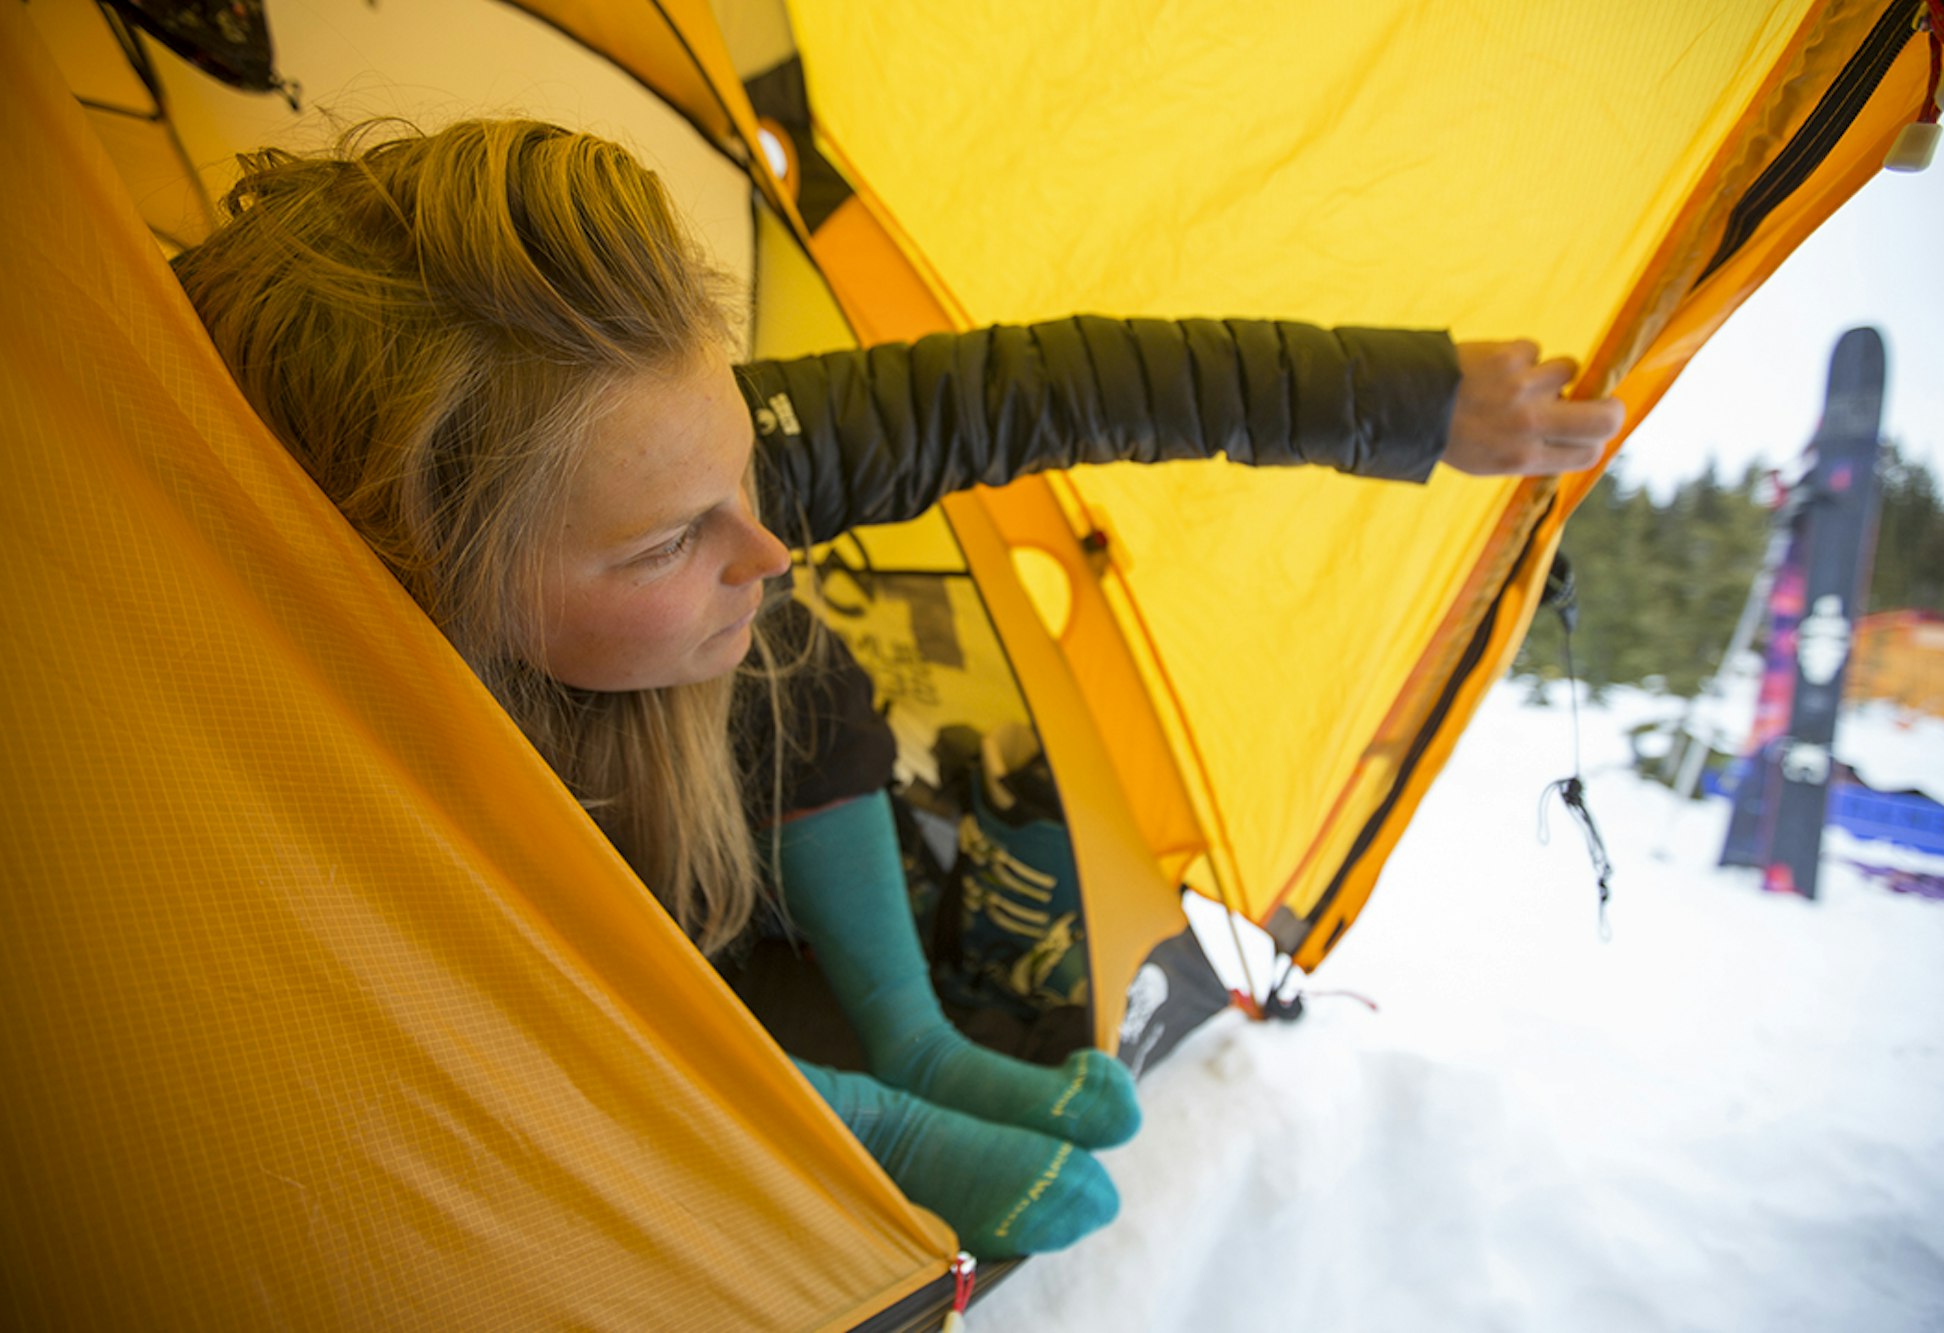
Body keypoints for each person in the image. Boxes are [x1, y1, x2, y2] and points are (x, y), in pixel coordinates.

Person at [171, 119, 1623, 1259]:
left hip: (677, 830)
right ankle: (863, 1109)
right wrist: (868, 1135)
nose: (760, 538)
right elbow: (473, 1066)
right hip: (497, 931)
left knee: (776, 639)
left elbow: (1050, 388)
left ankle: (911, 1031)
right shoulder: (284, 746)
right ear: (440, 584)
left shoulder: (647, 438)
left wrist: (1407, 402)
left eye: (740, 469)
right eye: (669, 539)